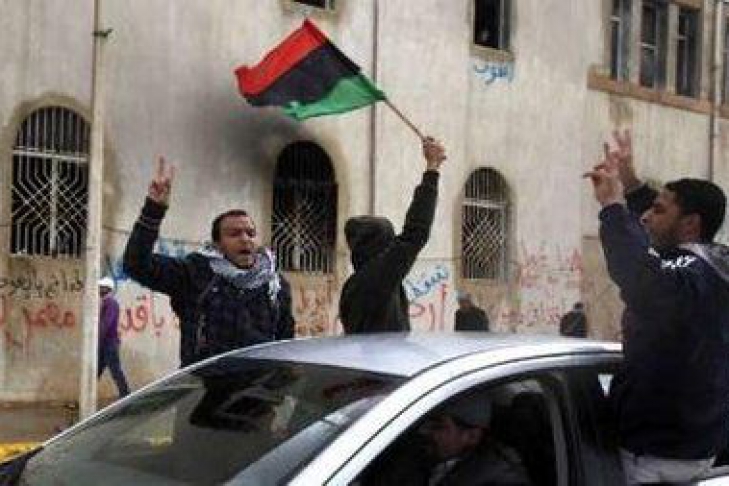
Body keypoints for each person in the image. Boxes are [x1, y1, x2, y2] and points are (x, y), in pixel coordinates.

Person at [585, 129, 729, 484]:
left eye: (658, 210)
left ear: (691, 224)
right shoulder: (706, 265)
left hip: (658, 455)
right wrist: (631, 181)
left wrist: (613, 207)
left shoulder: (695, 276)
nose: (646, 216)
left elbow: (642, 279)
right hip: (681, 446)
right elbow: (658, 236)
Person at [123, 157, 294, 367]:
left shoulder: (275, 285)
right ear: (217, 244)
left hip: (260, 385)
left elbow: (286, 344)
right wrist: (153, 210)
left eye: (250, 233)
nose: (245, 239)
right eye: (234, 234)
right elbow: (136, 265)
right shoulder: (195, 273)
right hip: (206, 383)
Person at [339, 137, 446, 333]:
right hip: (383, 354)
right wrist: (432, 169)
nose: (393, 249)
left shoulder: (355, 285)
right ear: (379, 246)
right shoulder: (376, 279)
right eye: (390, 243)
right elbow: (415, 232)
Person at [360, 391, 531, 485]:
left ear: (471, 436)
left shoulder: (501, 480)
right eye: (425, 422)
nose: (424, 431)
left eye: (438, 426)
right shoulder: (415, 455)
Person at [97, 276, 130, 398]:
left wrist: (97, 339)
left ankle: (126, 395)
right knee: (96, 371)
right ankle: (85, 396)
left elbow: (106, 324)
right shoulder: (106, 303)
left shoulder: (111, 303)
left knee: (115, 371)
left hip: (109, 344)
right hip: (105, 344)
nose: (99, 289)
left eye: (102, 287)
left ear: (108, 289)